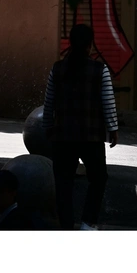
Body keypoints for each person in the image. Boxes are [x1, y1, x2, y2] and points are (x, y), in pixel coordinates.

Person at [42, 23, 119, 230]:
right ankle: (88, 222)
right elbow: (108, 102)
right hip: (91, 137)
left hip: (62, 136)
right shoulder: (100, 70)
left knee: (63, 182)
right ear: (90, 45)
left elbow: (49, 102)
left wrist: (48, 127)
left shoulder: (58, 69)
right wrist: (112, 129)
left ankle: (66, 226)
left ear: (70, 43)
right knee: (98, 178)